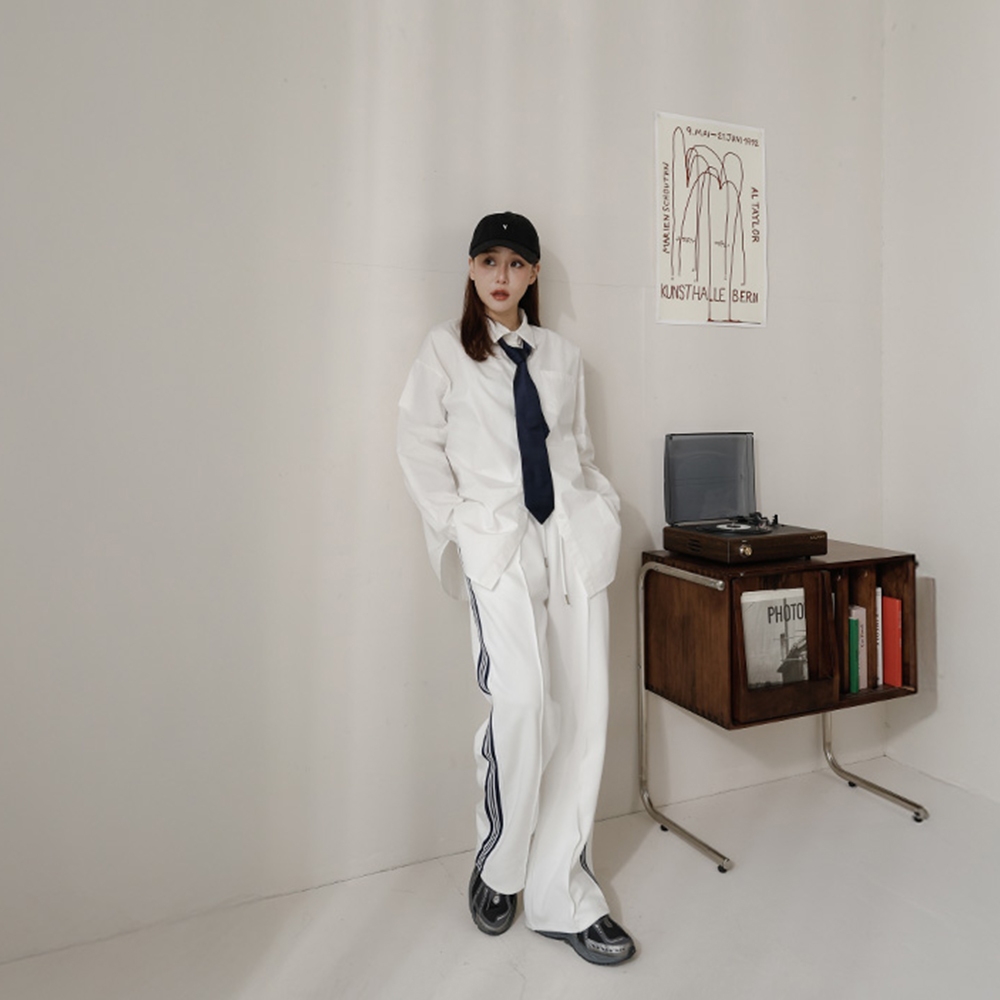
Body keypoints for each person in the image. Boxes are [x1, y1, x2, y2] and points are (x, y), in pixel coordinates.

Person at [397, 212, 635, 966]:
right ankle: (500, 867)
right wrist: (461, 527)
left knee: (585, 714)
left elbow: (579, 450)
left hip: (569, 540)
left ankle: (564, 894)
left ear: (533, 275)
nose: (501, 276)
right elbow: (417, 446)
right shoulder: (444, 350)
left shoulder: (562, 355)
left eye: (516, 264)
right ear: (472, 269)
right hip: (498, 542)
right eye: (488, 261)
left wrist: (599, 511)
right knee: (525, 703)